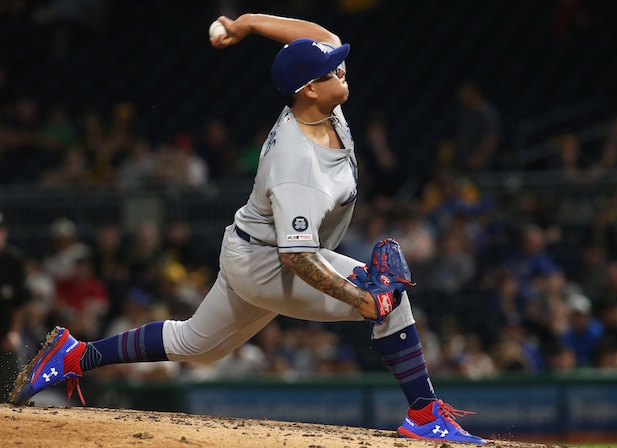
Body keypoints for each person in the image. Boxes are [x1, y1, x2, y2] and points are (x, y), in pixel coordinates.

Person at [10, 13, 485, 444]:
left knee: (195, 343)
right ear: (308, 90)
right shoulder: (297, 164)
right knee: (391, 301)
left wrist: (248, 25)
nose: (342, 69)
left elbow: (320, 38)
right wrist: (365, 302)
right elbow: (296, 257)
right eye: (331, 70)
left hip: (248, 248)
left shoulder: (321, 102)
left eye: (338, 65)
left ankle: (74, 356)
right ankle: (424, 415)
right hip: (269, 261)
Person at [0, 212, 31, 402]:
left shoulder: (13, 261)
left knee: (16, 393)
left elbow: (21, 302)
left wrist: (15, 332)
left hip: (6, 338)